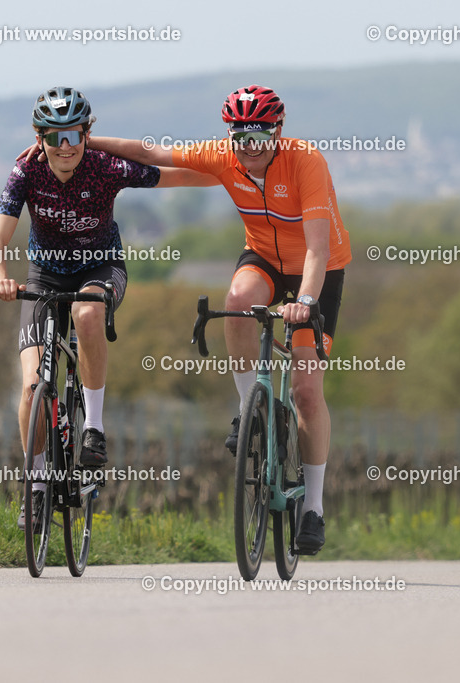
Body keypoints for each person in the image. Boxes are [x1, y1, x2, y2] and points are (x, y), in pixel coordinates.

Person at [84, 85, 351, 553]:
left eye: (259, 137)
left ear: (278, 132)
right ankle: (249, 408)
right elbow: (152, 152)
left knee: (308, 392)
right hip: (265, 259)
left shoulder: (305, 161)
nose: (249, 148)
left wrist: (305, 301)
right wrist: (85, 143)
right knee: (237, 301)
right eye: (240, 137)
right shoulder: (223, 156)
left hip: (316, 271)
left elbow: (317, 248)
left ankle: (313, 508)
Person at [0, 86, 215, 530]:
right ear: (39, 138)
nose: (66, 147)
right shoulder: (25, 171)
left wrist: (231, 173)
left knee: (87, 313)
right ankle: (34, 489)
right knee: (32, 389)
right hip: (44, 277)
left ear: (87, 134)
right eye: (55, 137)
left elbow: (176, 174)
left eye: (74, 134)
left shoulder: (105, 167)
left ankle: (93, 427)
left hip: (101, 268)